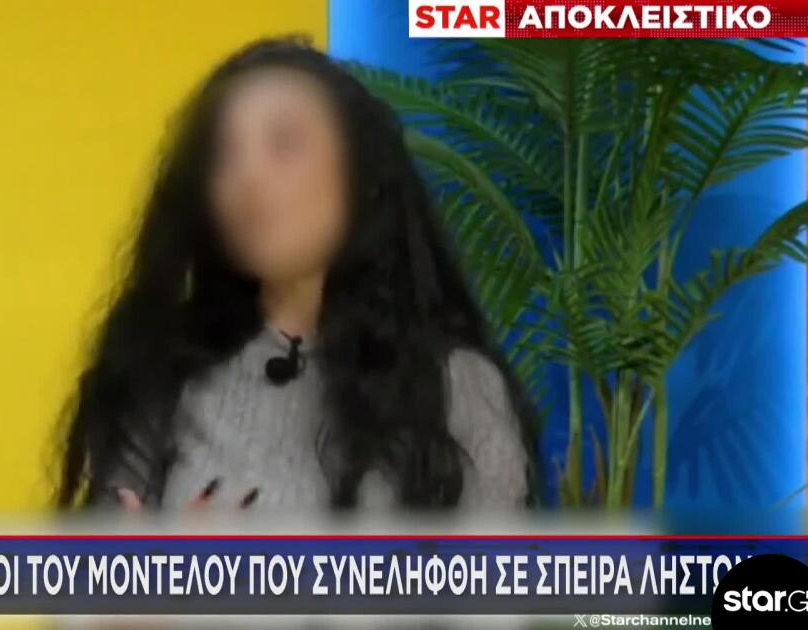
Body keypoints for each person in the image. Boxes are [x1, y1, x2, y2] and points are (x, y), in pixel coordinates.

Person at [56, 37, 536, 512]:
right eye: (224, 155)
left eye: (284, 143)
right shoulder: (163, 369)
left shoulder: (457, 387)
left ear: (361, 174)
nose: (249, 175)